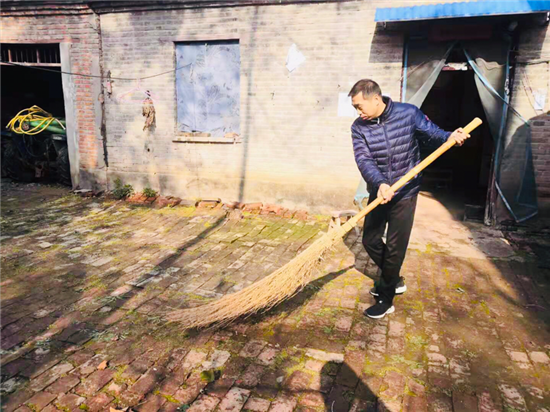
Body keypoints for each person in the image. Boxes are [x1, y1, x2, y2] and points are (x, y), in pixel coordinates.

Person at [349, 79, 470, 319]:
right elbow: (363, 159)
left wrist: (450, 136)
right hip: (380, 190)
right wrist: (380, 183)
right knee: (370, 239)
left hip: (406, 191)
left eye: (359, 106)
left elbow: (433, 134)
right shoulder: (358, 127)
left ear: (376, 99)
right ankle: (393, 278)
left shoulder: (408, 113)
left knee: (395, 247)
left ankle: (386, 299)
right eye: (355, 107)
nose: (358, 112)